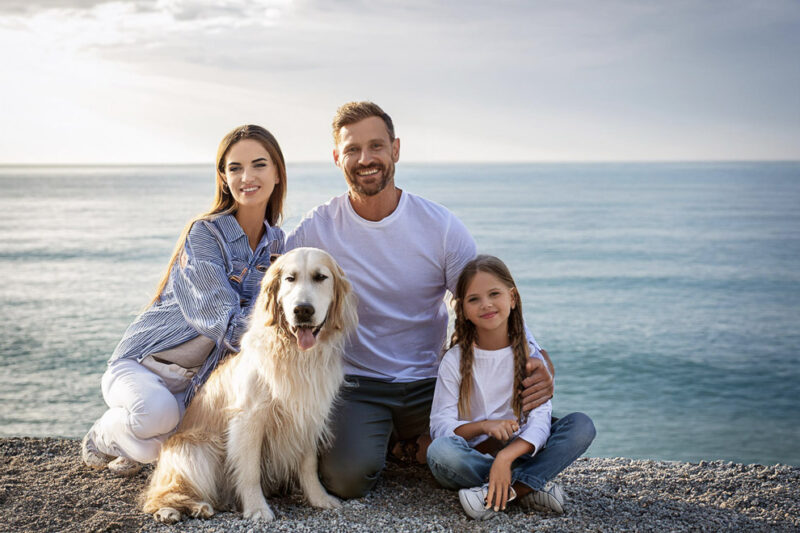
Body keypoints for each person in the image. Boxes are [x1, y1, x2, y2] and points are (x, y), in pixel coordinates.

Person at [286, 101, 590, 499]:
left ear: (395, 149)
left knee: (473, 445)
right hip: (358, 383)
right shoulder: (317, 228)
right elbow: (277, 288)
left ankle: (489, 474)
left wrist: (537, 356)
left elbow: (484, 303)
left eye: (376, 146)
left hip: (432, 382)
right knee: (347, 480)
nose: (365, 159)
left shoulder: (441, 228)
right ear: (336, 158)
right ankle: (427, 454)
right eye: (352, 150)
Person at [80, 125, 287, 476]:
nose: (247, 176)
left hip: (196, 383)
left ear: (277, 172)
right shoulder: (204, 233)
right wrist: (283, 343)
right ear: (223, 178)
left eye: (259, 165)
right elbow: (220, 317)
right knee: (158, 415)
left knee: (165, 448)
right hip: (141, 366)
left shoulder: (278, 245)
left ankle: (128, 441)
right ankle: (102, 434)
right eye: (234, 168)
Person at [427, 255, 595, 520]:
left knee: (581, 425)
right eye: (474, 299)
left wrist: (506, 458)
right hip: (472, 457)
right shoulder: (454, 360)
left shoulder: (529, 357)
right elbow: (440, 426)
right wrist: (485, 426)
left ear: (512, 298)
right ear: (464, 310)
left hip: (520, 452)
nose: (486, 304)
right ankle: (529, 485)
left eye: (495, 293)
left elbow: (540, 423)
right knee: (440, 452)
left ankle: (502, 491)